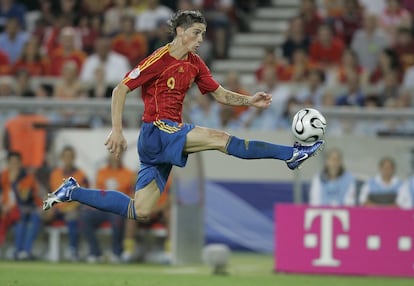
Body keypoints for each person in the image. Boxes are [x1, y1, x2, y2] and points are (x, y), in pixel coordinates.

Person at [43, 11, 323, 225]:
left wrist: (249, 100)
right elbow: (119, 90)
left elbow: (220, 95)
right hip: (157, 130)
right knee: (221, 139)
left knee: (140, 210)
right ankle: (292, 153)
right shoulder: (158, 59)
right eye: (197, 33)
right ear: (180, 31)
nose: (201, 40)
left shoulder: (195, 63)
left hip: (165, 138)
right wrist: (116, 130)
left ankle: (72, 192)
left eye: (203, 34)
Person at [81, 152, 135, 263]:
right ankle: (95, 252)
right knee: (85, 217)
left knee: (117, 219)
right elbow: (96, 192)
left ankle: (116, 253)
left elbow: (133, 194)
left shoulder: (129, 173)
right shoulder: (102, 172)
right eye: (112, 155)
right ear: (108, 157)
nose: (115, 157)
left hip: (118, 209)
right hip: (102, 208)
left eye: (117, 154)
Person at [46, 146, 89, 261]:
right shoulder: (55, 174)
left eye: (70, 156)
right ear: (61, 158)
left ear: (74, 158)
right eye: (65, 156)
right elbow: (50, 193)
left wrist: (67, 208)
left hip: (72, 208)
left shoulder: (81, 175)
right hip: (56, 209)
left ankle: (73, 250)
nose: (67, 159)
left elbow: (85, 197)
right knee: (38, 215)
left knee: (72, 217)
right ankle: (34, 249)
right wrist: (49, 207)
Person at [0, 152, 42, 260]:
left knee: (34, 218)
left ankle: (24, 252)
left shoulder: (27, 178)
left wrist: (14, 183)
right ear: (7, 164)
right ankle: (19, 251)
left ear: (21, 164)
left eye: (16, 163)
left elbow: (24, 199)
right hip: (6, 212)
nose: (14, 166)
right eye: (11, 163)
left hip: (23, 209)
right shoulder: (3, 176)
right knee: (20, 220)